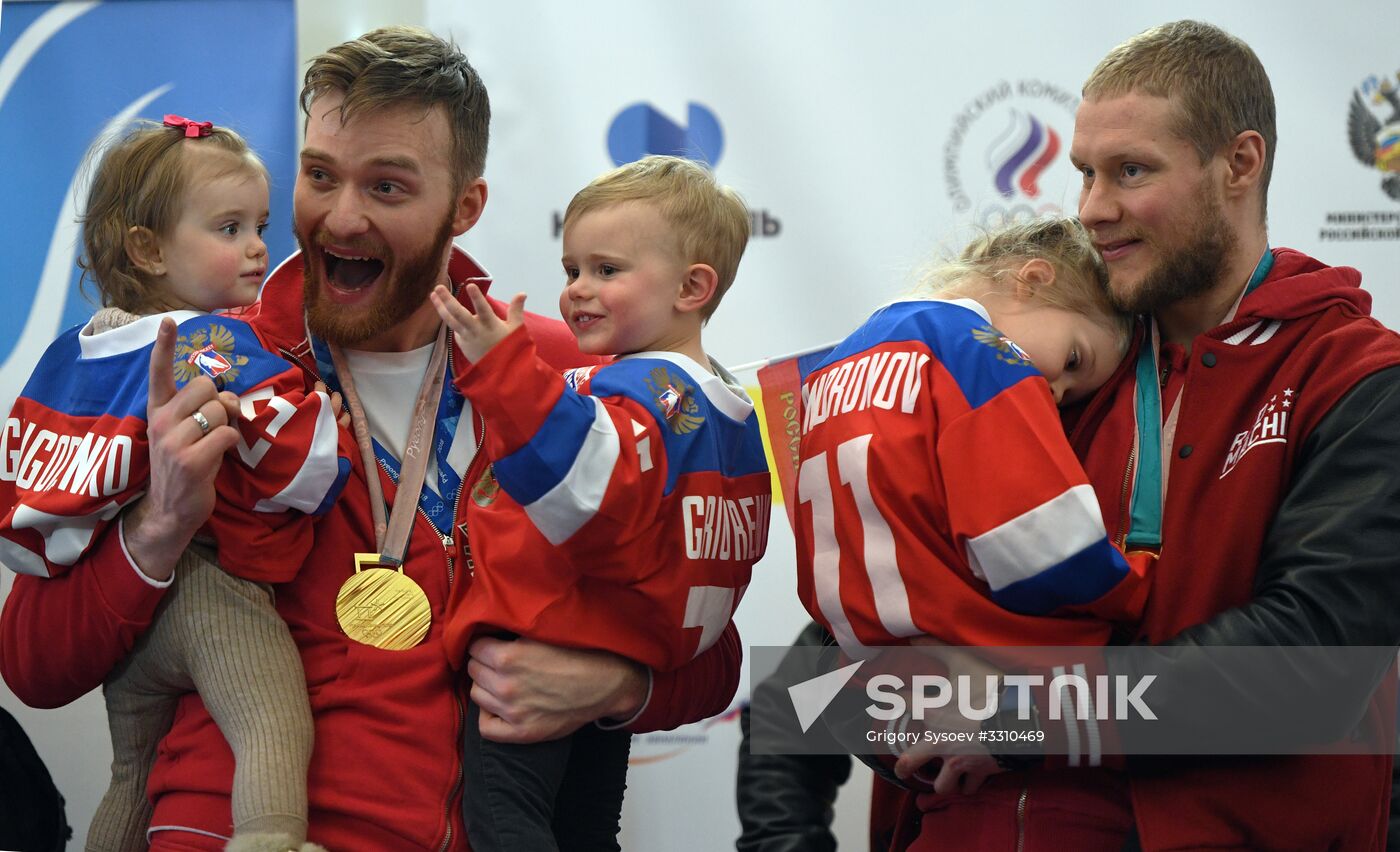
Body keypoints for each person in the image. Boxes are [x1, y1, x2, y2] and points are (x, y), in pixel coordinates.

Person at [0, 26, 740, 851]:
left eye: (387, 188)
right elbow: (31, 665)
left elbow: (713, 648)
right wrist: (159, 529)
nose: (340, 219)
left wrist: (618, 685)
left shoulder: (572, 375)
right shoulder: (202, 359)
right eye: (320, 177)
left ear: (465, 207)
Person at [1058, 19, 1400, 852]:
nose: (1092, 211)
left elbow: (1311, 664)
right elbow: (884, 615)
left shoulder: (1356, 376)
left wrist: (1017, 712)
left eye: (1130, 172)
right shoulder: (1055, 366)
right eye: (1086, 175)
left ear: (1239, 165)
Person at [0, 117, 351, 851]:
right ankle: (270, 841)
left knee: (130, 772)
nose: (258, 245)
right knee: (271, 726)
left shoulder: (81, 349)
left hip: (130, 622)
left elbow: (34, 508)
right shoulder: (213, 342)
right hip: (213, 594)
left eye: (259, 223)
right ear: (149, 249)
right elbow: (307, 466)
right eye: (228, 227)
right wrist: (333, 419)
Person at [428, 154, 769, 850]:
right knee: (587, 834)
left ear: (691, 287)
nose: (578, 290)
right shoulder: (729, 409)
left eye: (606, 270)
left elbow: (584, 488)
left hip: (534, 652)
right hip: (609, 665)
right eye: (570, 270)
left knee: (505, 831)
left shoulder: (641, 393)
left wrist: (503, 371)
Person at [793, 216, 1150, 849]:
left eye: (1070, 390)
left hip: (881, 659)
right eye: (1073, 360)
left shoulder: (834, 363)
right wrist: (1140, 585)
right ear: (1032, 280)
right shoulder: (981, 354)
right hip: (998, 662)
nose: (1056, 390)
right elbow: (1042, 549)